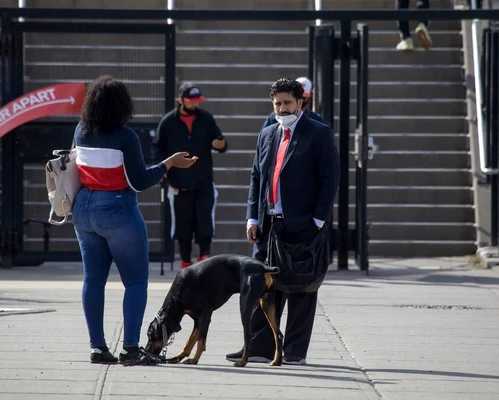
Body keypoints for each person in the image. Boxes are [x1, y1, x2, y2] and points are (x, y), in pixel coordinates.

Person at [72, 75, 197, 366]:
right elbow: (139, 181)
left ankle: (97, 348)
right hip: (117, 208)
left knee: (93, 280)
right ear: (122, 105)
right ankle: (130, 349)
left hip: (83, 208)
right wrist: (168, 163)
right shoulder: (125, 137)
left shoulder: (81, 129)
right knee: (136, 281)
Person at [226, 78, 340, 365]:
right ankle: (259, 348)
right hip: (268, 225)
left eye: (287, 102)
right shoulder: (266, 134)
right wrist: (253, 217)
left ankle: (294, 352)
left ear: (301, 103)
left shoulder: (318, 133)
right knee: (264, 287)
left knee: (302, 288)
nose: (282, 108)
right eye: (277, 103)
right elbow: (256, 177)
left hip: (303, 225)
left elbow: (330, 180)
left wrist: (316, 221)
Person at [153, 82, 228, 269]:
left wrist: (221, 144)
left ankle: (205, 258)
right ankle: (185, 262)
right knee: (182, 224)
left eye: (197, 100)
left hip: (203, 181)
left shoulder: (206, 119)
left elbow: (220, 142)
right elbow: (157, 147)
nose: (195, 104)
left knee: (204, 222)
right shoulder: (169, 121)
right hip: (179, 183)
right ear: (181, 100)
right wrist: (162, 168)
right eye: (190, 100)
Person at [261, 77, 326, 129]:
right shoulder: (274, 117)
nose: (282, 109)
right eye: (278, 103)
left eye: (304, 98)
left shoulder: (317, 120)